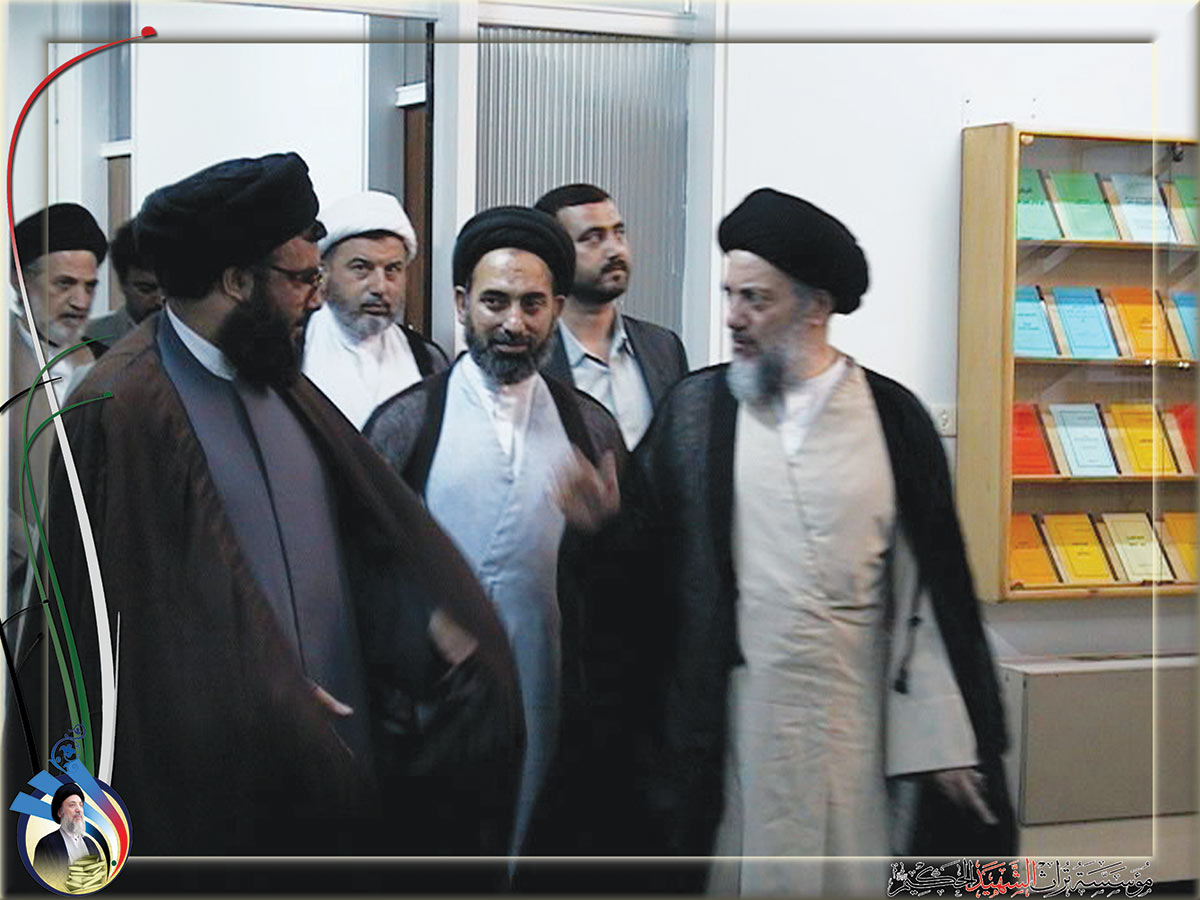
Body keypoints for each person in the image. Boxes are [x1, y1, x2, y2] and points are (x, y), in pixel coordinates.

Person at [44, 153, 522, 859]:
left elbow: (358, 546)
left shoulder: (274, 375)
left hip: (335, 769)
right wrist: (255, 688)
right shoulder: (118, 406)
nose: (316, 298)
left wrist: (423, 624)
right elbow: (110, 635)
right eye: (301, 278)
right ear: (237, 281)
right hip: (212, 797)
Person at [627, 188, 1014, 895]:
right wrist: (599, 524)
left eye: (756, 299)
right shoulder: (698, 414)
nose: (733, 317)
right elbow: (642, 569)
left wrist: (946, 738)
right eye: (730, 294)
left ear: (815, 306)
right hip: (740, 715)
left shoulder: (893, 419)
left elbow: (929, 596)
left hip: (856, 714)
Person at [365, 206, 629, 868]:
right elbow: (360, 567)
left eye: (533, 304)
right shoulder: (407, 423)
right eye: (495, 302)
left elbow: (631, 585)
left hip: (551, 685)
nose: (514, 323)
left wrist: (602, 534)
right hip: (439, 700)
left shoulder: (590, 427)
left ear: (557, 307)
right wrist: (424, 627)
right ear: (462, 303)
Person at [6, 203, 107, 627]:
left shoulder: (105, 363)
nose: (80, 302)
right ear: (20, 279)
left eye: (89, 286)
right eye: (64, 284)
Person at [534, 183, 688, 448]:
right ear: (553, 255)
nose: (615, 250)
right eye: (593, 238)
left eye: (619, 233)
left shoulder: (663, 347)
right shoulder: (531, 357)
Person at [302, 191, 449, 429]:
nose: (380, 287)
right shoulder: (294, 348)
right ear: (324, 273)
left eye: (392, 269)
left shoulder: (427, 358)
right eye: (361, 268)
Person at [83, 217, 164, 356]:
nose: (160, 300)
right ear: (122, 283)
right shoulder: (87, 340)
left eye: (173, 290)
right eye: (146, 289)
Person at [32, 784, 105, 892]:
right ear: (59, 812)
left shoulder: (91, 844)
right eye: (72, 805)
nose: (78, 809)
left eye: (81, 805)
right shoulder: (47, 844)